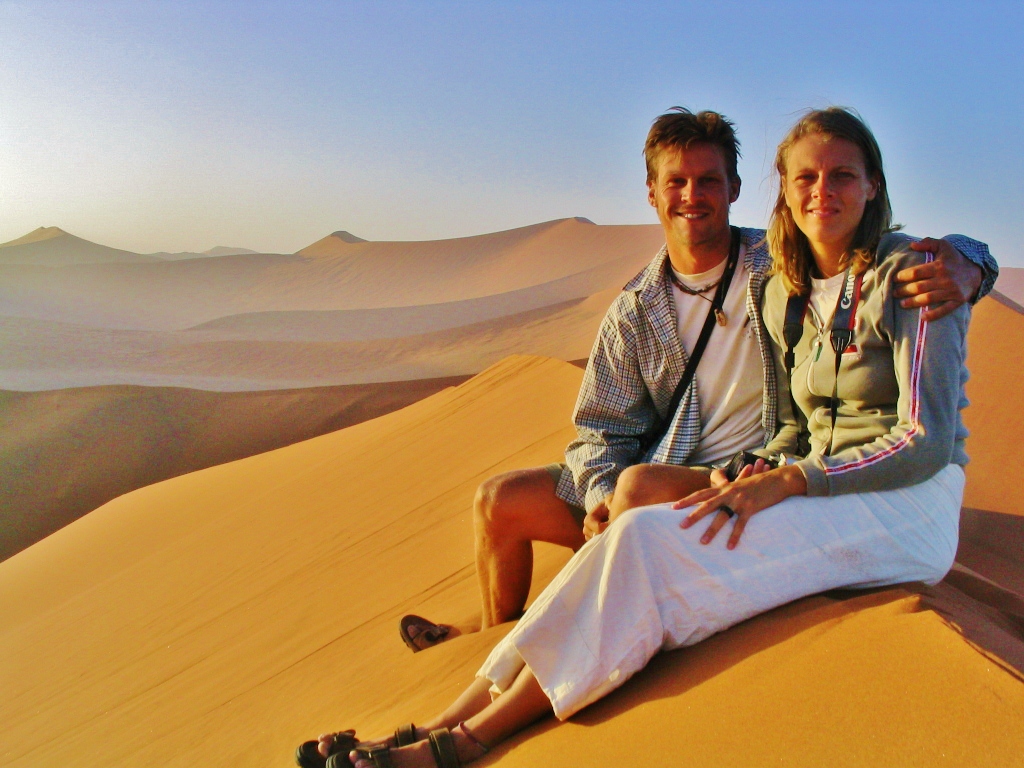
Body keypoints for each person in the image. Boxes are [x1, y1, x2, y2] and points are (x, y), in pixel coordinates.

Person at [299, 106, 986, 768]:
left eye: (842, 175)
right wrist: (743, 473)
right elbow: (618, 429)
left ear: (871, 185)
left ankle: (472, 740)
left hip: (894, 500)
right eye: (806, 177)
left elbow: (922, 438)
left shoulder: (848, 271)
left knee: (646, 542)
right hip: (765, 476)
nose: (822, 192)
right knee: (610, 522)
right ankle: (444, 719)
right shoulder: (753, 291)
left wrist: (970, 261)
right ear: (654, 193)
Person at [452, 107, 996, 638]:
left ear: (735, 188)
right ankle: (487, 644)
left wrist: (971, 263)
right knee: (498, 502)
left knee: (640, 491)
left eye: (709, 180)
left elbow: (885, 254)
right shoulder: (635, 311)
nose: (693, 196)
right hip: (656, 471)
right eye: (677, 182)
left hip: (743, 473)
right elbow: (600, 431)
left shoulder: (782, 261)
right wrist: (598, 498)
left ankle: (559, 646)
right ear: (651, 191)